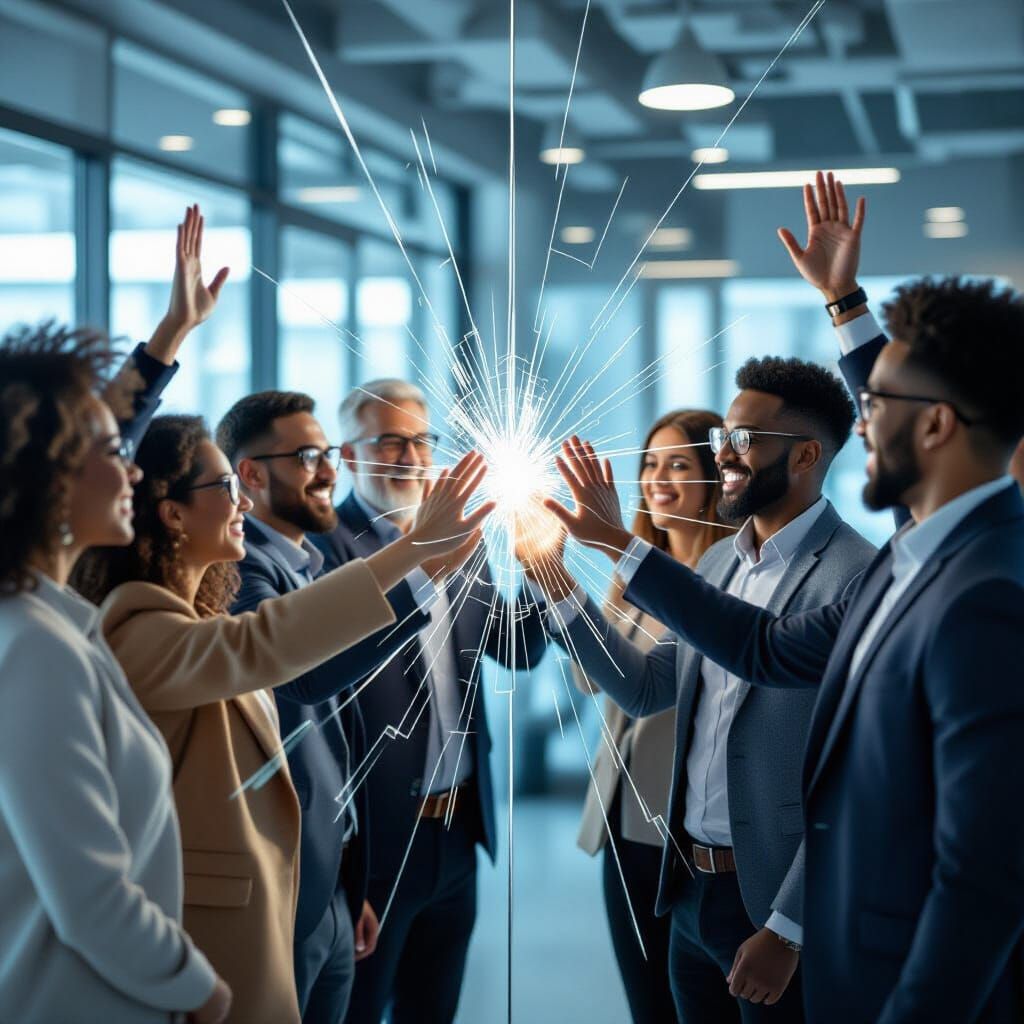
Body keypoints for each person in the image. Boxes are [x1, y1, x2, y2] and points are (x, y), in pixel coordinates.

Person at [543, 269, 1024, 1022]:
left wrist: (793, 926)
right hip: (697, 896)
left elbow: (982, 869)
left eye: (877, 408)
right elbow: (718, 662)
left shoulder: (947, 586)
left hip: (808, 921)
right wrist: (846, 306)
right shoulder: (901, 558)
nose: (863, 426)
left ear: (933, 425)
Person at [72, 415, 491, 1024]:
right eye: (223, 487)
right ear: (172, 513)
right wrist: (414, 550)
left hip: (301, 894)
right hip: (212, 926)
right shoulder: (138, 630)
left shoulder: (193, 623)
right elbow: (273, 644)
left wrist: (344, 883)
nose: (242, 500)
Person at [531, 359, 875, 1022]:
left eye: (744, 440)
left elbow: (855, 778)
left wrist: (789, 927)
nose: (724, 454)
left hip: (774, 908)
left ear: (805, 454)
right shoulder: (718, 563)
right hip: (687, 888)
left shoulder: (857, 576)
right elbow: (644, 688)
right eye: (725, 437)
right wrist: (558, 587)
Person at [215, 391, 480, 1024]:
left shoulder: (304, 560)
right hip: (307, 875)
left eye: (326, 454)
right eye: (311, 456)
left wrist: (348, 881)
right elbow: (305, 678)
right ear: (249, 475)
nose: (328, 470)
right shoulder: (246, 568)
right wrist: (422, 565)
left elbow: (337, 736)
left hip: (361, 864)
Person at [0, 326, 231, 1024]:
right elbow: (91, 895)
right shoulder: (35, 647)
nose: (133, 470)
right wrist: (201, 990)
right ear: (49, 474)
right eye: (111, 451)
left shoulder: (54, 624)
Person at [316, 379, 550, 1024]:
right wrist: (343, 871)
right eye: (390, 440)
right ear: (349, 455)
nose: (410, 456)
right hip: (374, 843)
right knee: (358, 1011)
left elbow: (519, 646)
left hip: (457, 832)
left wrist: (542, 568)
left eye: (421, 440)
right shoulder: (329, 552)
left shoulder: (461, 540)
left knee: (433, 1010)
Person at [566, 408, 730, 1024]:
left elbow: (647, 690)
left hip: (683, 829)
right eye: (650, 464)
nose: (658, 479)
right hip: (621, 818)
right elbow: (590, 679)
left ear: (715, 479)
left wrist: (563, 588)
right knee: (646, 1002)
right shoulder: (633, 573)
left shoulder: (722, 583)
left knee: (685, 1001)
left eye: (678, 464)